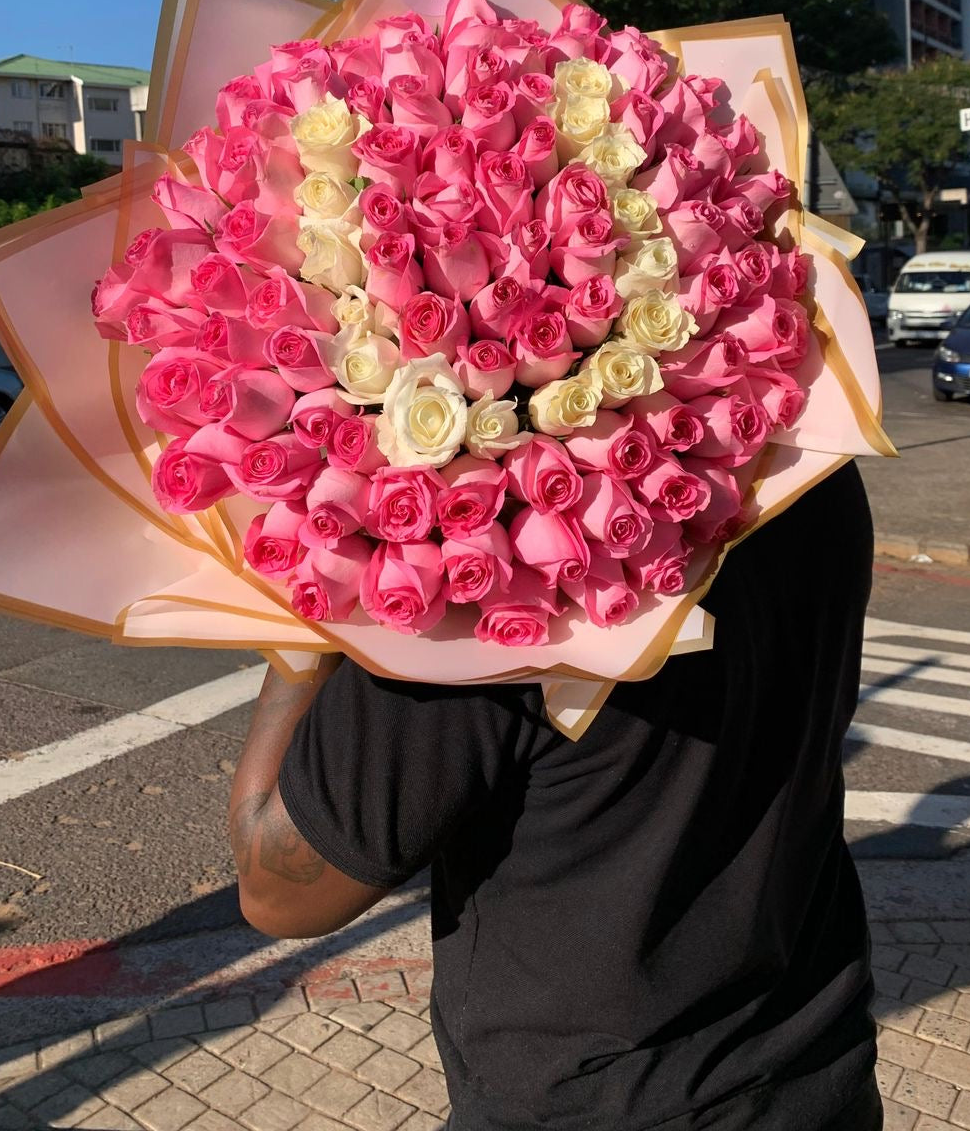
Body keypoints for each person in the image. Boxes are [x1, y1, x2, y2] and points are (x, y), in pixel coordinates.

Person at [229, 461, 881, 1130]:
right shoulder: (812, 468)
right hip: (815, 1069)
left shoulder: (486, 575)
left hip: (597, 1103)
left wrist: (310, 606)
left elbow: (281, 891)